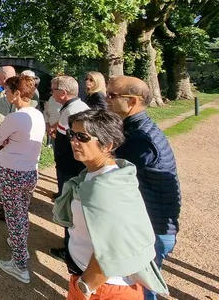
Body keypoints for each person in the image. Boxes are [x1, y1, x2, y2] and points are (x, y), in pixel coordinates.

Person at [53, 109, 168, 300]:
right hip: (92, 280)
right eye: (72, 134)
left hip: (105, 288)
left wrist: (85, 286)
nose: (73, 141)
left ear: (107, 145)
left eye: (82, 137)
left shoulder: (106, 189)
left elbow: (113, 247)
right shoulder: (102, 175)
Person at [107, 76, 181, 300]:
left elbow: (116, 179)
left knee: (138, 288)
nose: (106, 100)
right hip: (150, 225)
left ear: (132, 102)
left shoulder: (140, 139)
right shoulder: (136, 129)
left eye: (112, 96)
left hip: (150, 229)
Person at [0, 75, 46, 284]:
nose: (6, 94)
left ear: (18, 93)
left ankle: (20, 265)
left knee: (13, 216)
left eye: (8, 90)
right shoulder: (38, 115)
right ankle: (19, 244)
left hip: (12, 171)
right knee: (22, 212)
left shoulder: (15, 118)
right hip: (30, 171)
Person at [50, 75, 89, 261]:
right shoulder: (77, 107)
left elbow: (68, 141)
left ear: (63, 93)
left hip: (69, 167)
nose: (51, 93)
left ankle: (69, 249)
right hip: (73, 166)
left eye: (53, 90)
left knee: (69, 206)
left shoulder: (71, 111)